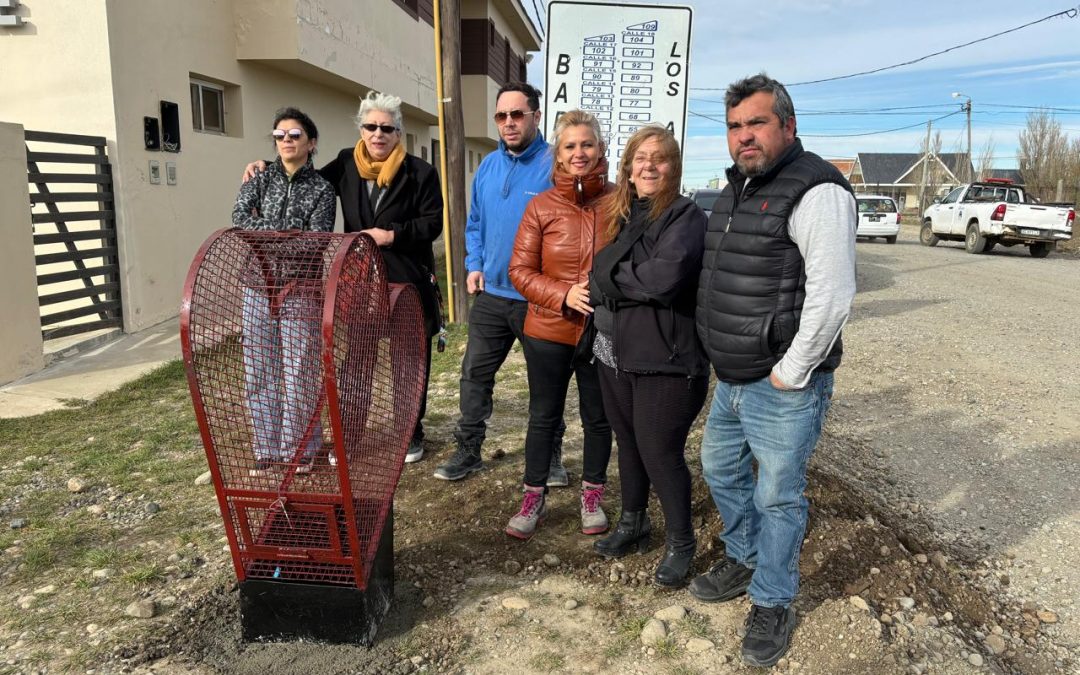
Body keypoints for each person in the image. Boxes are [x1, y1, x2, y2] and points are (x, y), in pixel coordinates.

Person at [692, 73, 857, 668]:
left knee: (779, 495)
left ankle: (773, 597)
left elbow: (833, 294)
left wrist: (792, 370)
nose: (744, 136)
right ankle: (746, 554)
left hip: (781, 384)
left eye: (756, 123)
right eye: (735, 126)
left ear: (788, 124)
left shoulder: (817, 190)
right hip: (733, 380)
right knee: (718, 468)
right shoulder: (737, 187)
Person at [244, 92, 443, 465]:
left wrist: (392, 234)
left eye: (387, 128)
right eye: (370, 127)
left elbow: (433, 222)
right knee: (357, 360)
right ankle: (350, 435)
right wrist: (267, 166)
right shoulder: (346, 164)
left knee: (408, 360)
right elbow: (305, 181)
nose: (378, 134)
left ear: (398, 133)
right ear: (361, 130)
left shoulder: (420, 172)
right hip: (361, 280)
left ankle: (410, 433)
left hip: (406, 279)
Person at [587, 126, 709, 588]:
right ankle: (634, 522)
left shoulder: (686, 216)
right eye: (640, 158)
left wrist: (608, 275)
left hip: (666, 358)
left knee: (660, 450)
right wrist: (611, 275)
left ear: (673, 167)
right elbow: (602, 272)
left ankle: (681, 542)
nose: (649, 166)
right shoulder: (621, 216)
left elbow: (662, 280)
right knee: (630, 444)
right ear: (628, 167)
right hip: (612, 351)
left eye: (659, 158)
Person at [433, 82, 568, 485]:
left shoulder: (554, 165)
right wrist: (473, 264)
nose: (508, 123)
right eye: (501, 116)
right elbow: (474, 223)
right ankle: (469, 450)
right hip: (491, 295)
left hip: (538, 298)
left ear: (536, 116)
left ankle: (551, 458)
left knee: (546, 383)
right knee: (474, 375)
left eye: (517, 114)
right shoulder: (489, 166)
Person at [504, 110, 613, 539]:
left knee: (598, 417)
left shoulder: (619, 202)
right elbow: (519, 271)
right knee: (542, 417)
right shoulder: (541, 205)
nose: (579, 152)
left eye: (587, 144)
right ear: (559, 155)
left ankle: (592, 496)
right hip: (548, 330)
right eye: (570, 146)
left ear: (600, 149)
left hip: (601, 331)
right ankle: (533, 497)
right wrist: (563, 294)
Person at [232, 107, 337, 477]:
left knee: (299, 371)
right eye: (280, 135)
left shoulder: (322, 189)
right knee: (259, 369)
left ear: (311, 143)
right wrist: (286, 234)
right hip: (257, 285)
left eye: (294, 135)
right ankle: (267, 447)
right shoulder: (259, 177)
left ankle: (301, 448)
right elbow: (241, 219)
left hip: (301, 288)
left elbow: (315, 242)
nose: (287, 141)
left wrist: (269, 234)